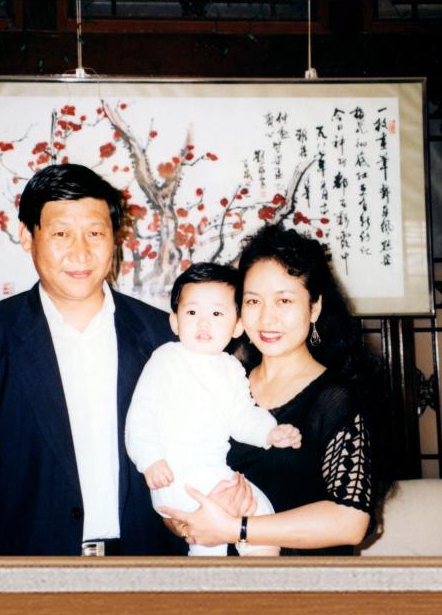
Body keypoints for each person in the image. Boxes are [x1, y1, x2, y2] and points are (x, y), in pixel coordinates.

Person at [0, 163, 201, 555]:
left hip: (144, 564)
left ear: (114, 238)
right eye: (61, 233)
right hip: (27, 569)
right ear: (28, 236)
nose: (81, 252)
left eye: (95, 233)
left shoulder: (164, 336)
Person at [159, 224, 393, 555]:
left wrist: (237, 529)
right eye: (253, 301)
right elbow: (173, 470)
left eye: (284, 300)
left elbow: (350, 521)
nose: (267, 318)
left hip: (300, 583)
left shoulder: (338, 398)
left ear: (314, 307)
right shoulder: (222, 382)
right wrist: (188, 523)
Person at [124, 262, 302, 556]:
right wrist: (150, 459)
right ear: (175, 322)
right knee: (223, 524)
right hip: (174, 475)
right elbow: (141, 414)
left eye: (217, 314)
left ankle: (261, 579)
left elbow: (241, 416)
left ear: (237, 326)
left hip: (214, 471)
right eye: (192, 313)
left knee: (259, 514)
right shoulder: (166, 359)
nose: (203, 324)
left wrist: (270, 432)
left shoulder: (231, 368)